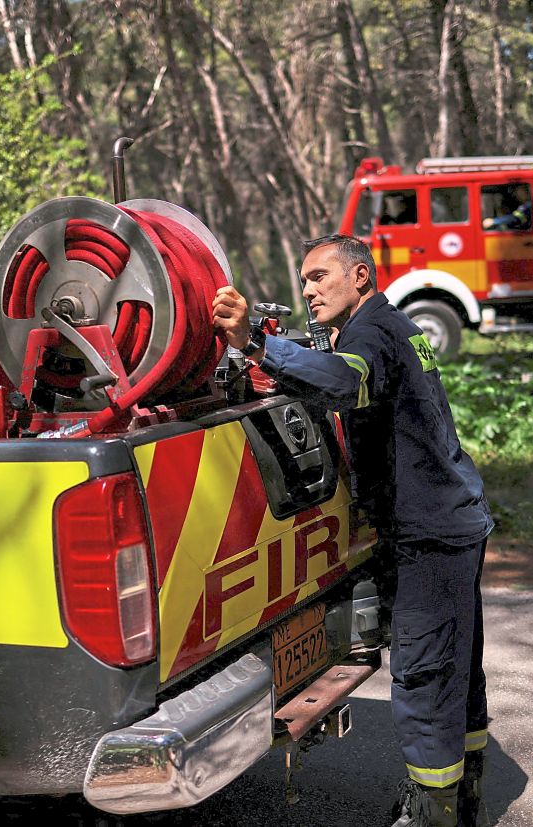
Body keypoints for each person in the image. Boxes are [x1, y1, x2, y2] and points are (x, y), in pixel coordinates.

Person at [212, 235, 493, 827]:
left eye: (319, 277)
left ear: (360, 277)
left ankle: (433, 814)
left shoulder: (372, 336)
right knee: (457, 669)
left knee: (425, 674)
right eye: (304, 279)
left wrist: (257, 343)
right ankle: (461, 799)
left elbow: (345, 382)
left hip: (429, 535)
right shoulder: (391, 326)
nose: (308, 291)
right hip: (450, 522)